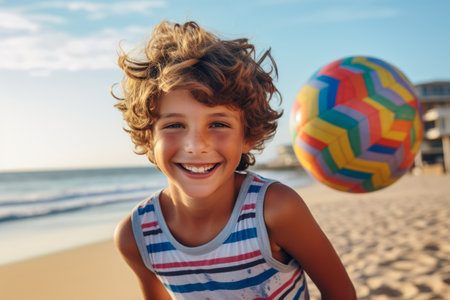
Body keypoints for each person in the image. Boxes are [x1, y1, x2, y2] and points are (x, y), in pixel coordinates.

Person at [112, 20, 356, 300]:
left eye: (218, 124)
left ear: (247, 136)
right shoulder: (137, 236)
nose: (196, 145)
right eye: (174, 125)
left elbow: (341, 294)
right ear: (147, 137)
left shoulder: (274, 210)